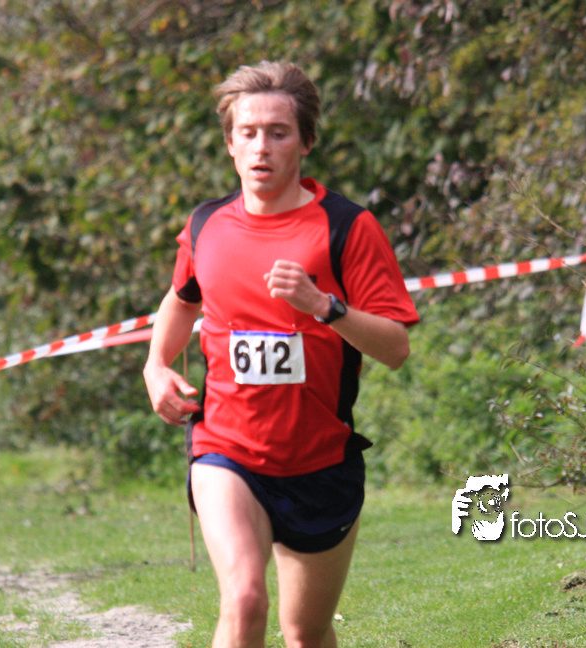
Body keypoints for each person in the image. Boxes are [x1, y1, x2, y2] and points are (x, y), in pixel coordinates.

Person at [143, 61, 419, 648]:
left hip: (320, 461)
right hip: (226, 449)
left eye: (278, 132)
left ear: (306, 141)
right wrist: (156, 365)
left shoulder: (347, 227)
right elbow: (181, 299)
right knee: (244, 599)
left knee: (305, 631)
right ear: (230, 144)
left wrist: (325, 307)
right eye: (247, 132)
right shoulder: (207, 225)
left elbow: (396, 347)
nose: (261, 147)